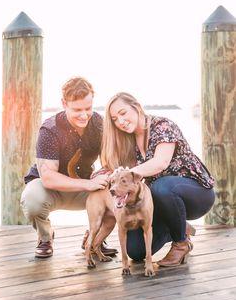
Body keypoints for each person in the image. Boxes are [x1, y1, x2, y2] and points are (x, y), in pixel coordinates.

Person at [100, 92, 215, 267]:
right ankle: (179, 225)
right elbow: (112, 170)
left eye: (123, 113)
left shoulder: (163, 126)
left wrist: (129, 172)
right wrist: (97, 179)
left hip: (197, 194)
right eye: (115, 119)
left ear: (136, 107)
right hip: (163, 201)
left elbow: (161, 163)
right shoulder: (128, 140)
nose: (120, 121)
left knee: (161, 187)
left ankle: (181, 244)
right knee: (136, 251)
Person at [20, 77, 117, 258]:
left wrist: (105, 174)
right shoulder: (49, 129)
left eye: (88, 108)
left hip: (84, 185)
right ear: (64, 103)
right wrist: (88, 185)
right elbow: (48, 177)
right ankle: (45, 237)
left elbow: (111, 159)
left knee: (115, 191)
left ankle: (94, 238)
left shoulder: (99, 124)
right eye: (77, 109)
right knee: (32, 198)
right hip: (50, 188)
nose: (84, 115)